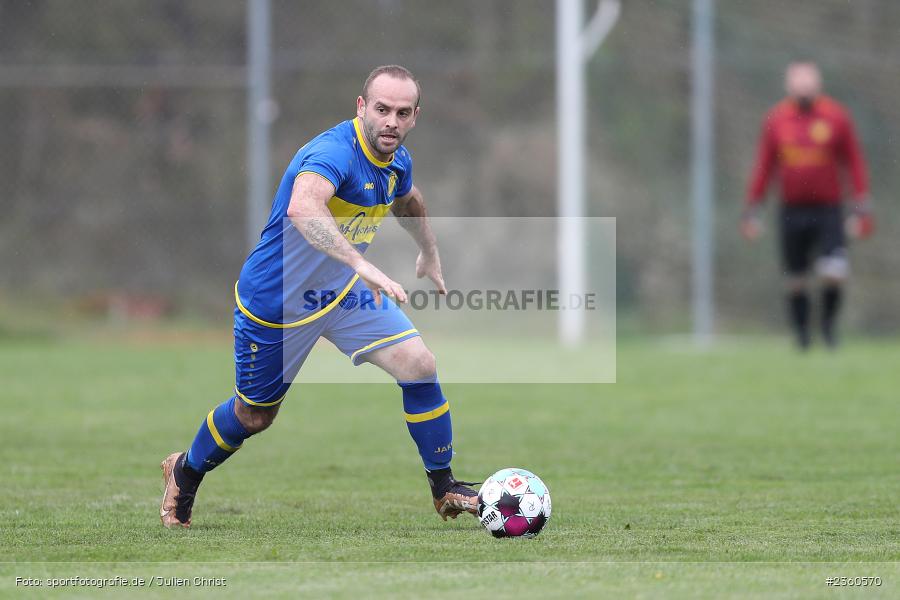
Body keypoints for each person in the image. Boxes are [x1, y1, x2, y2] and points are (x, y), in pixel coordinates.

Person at [159, 65, 478, 528]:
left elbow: (409, 201)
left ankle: (444, 488)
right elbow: (303, 207)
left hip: (341, 295)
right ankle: (183, 472)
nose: (391, 121)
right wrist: (362, 264)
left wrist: (428, 252)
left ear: (415, 117)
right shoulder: (333, 152)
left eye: (402, 113)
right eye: (382, 109)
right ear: (361, 107)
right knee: (254, 415)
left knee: (420, 365)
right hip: (277, 302)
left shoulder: (396, 161)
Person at [742, 61, 873, 349]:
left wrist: (861, 204)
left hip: (828, 209)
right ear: (788, 85)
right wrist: (753, 209)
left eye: (808, 81)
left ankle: (828, 328)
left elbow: (854, 162)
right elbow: (764, 167)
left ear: (818, 84)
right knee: (796, 278)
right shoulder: (776, 119)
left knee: (834, 271)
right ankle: (801, 337)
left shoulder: (836, 116)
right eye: (797, 81)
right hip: (792, 210)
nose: (803, 87)